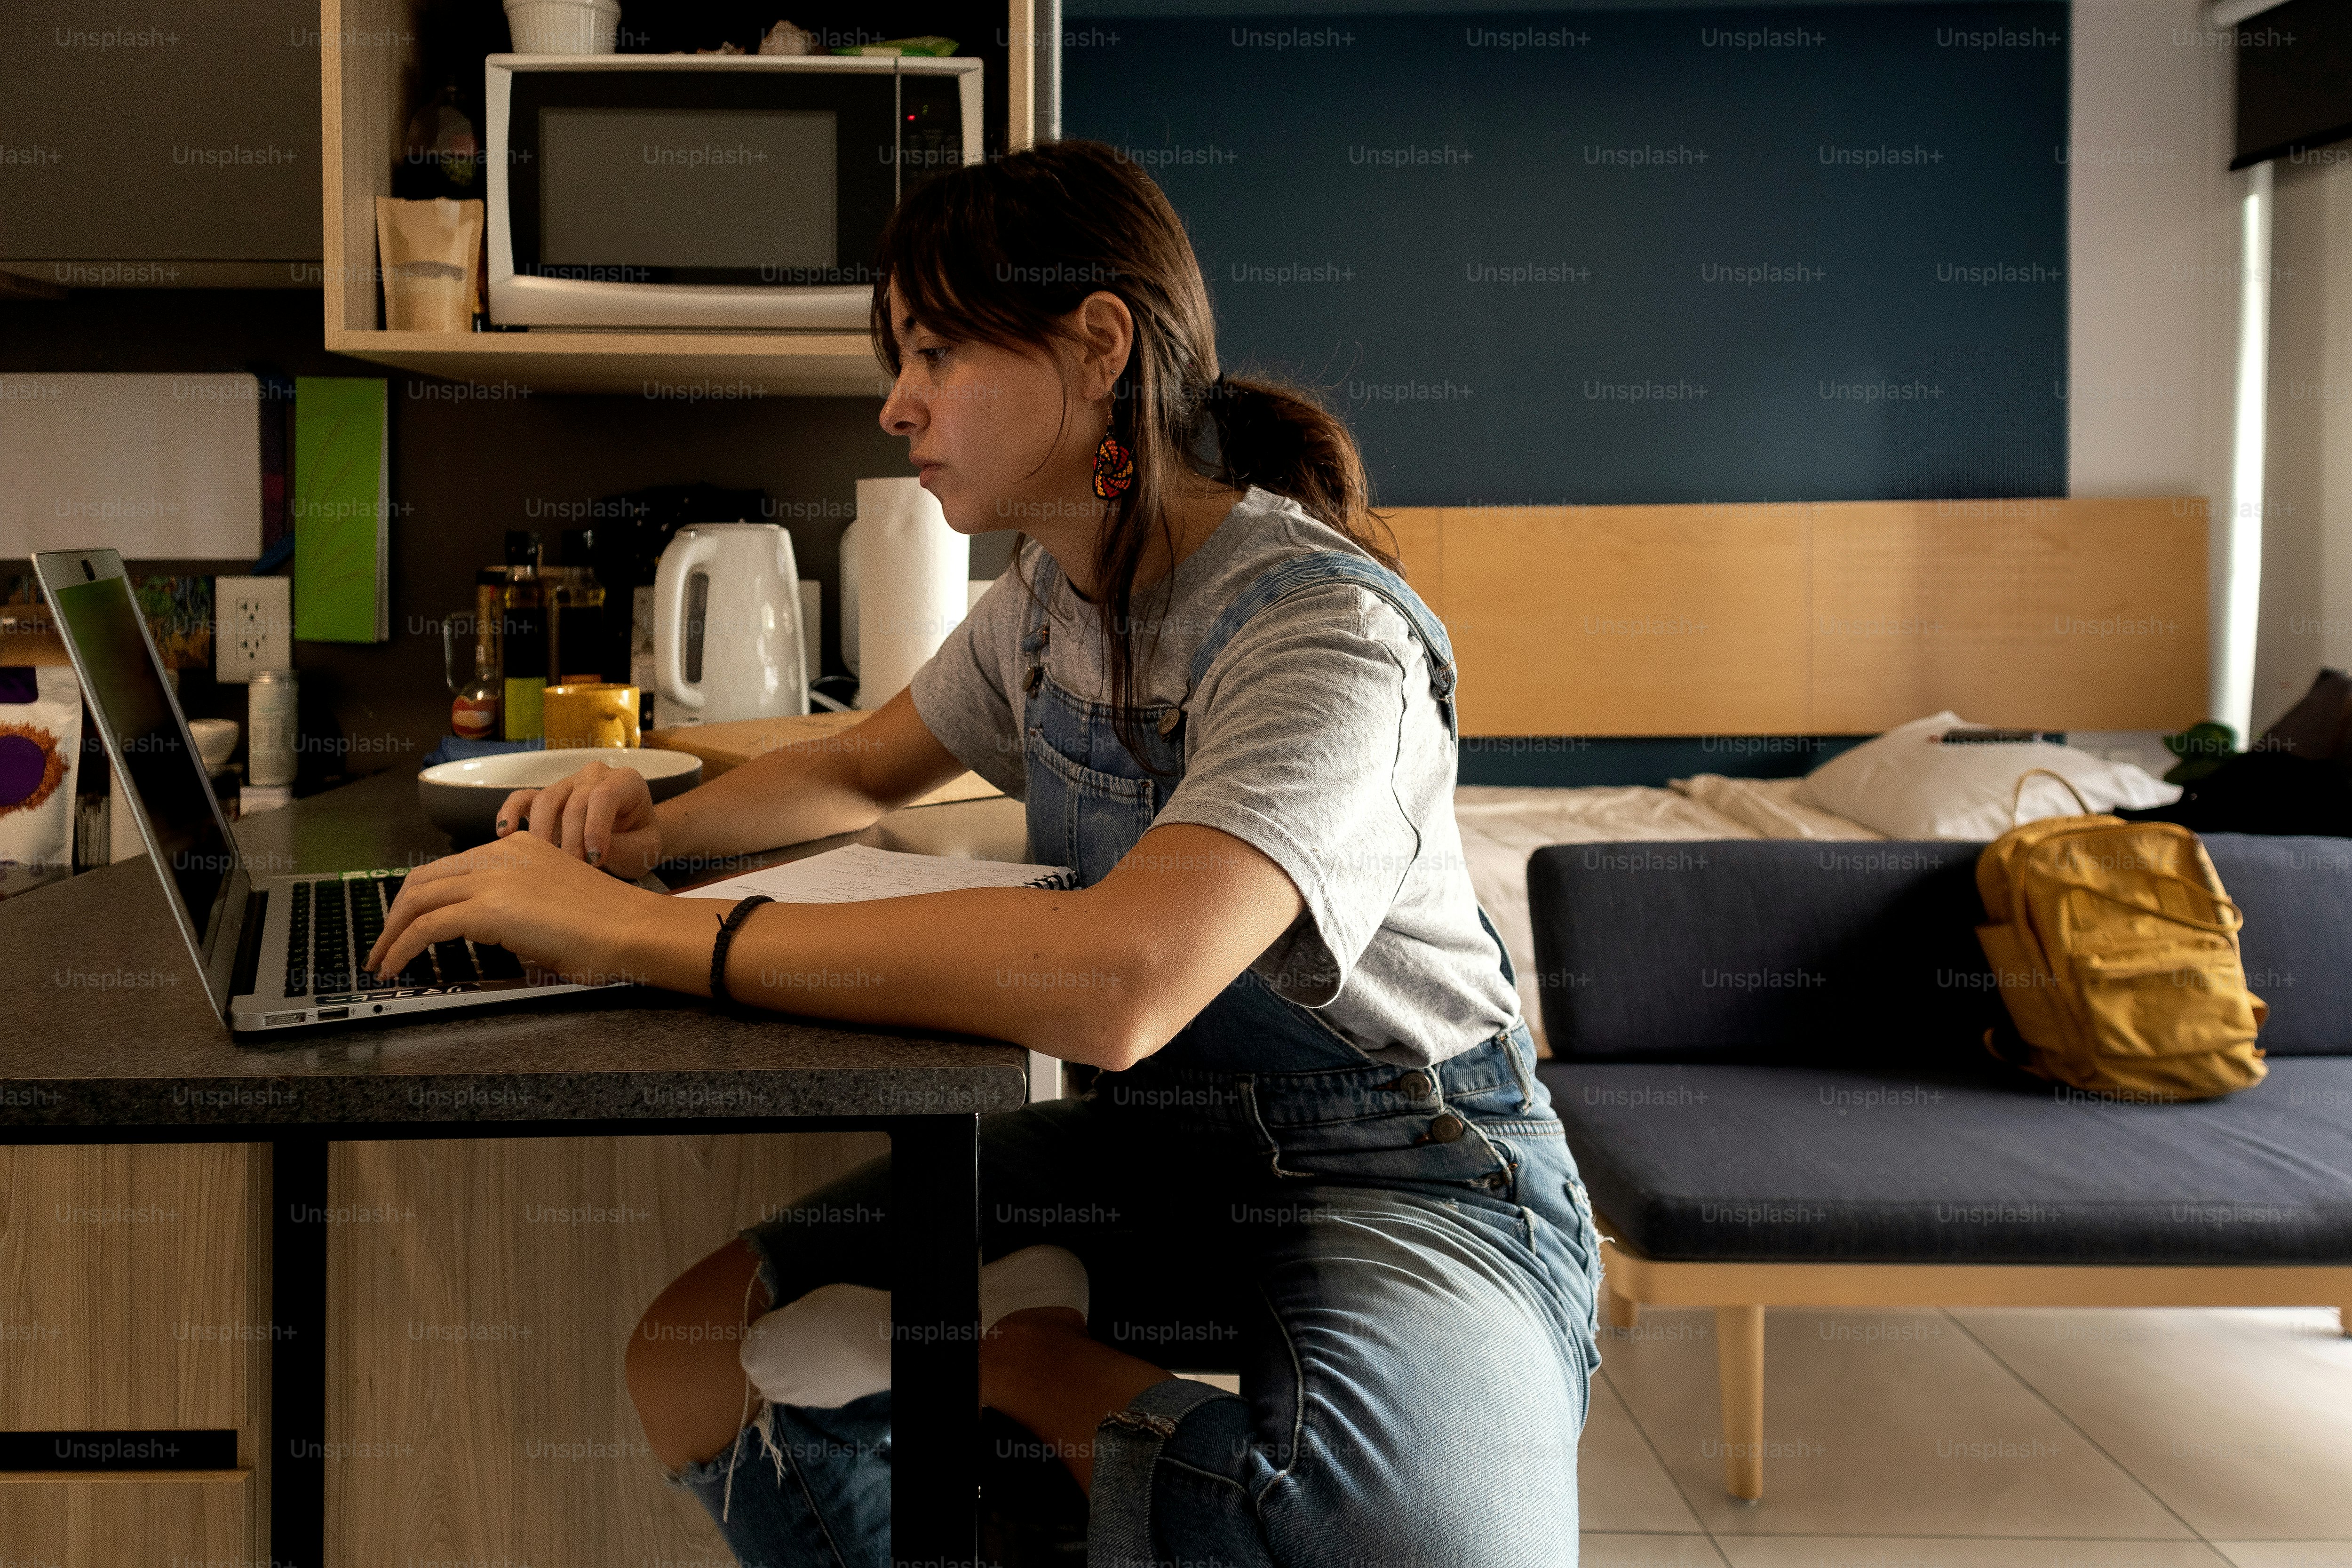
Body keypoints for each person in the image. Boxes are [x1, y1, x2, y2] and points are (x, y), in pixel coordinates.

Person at [365, 138, 1603, 1567]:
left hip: (1407, 1172)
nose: (896, 404)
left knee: (1421, 1550)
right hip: (1153, 1148)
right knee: (697, 1355)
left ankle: (1034, 1363)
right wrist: (646, 834)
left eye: (937, 350)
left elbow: (1121, 983)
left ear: (1097, 347)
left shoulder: (1324, 635)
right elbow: (855, 762)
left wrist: (636, 931)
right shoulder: (1044, 599)